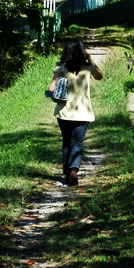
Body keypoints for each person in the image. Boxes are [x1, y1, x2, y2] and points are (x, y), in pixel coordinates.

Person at [47, 37, 103, 186]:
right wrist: (90, 58)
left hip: (64, 113)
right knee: (77, 143)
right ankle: (73, 170)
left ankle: (67, 173)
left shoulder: (61, 69)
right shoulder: (87, 68)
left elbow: (51, 89)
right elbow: (99, 76)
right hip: (82, 113)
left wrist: (57, 80)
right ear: (82, 52)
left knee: (66, 143)